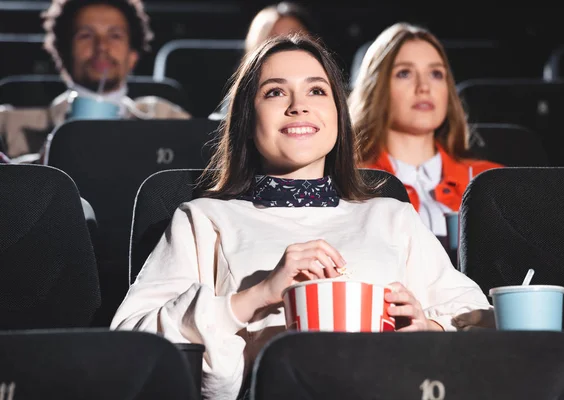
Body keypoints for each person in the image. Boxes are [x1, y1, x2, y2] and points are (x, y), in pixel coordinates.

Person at [111, 35, 491, 399]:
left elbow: (477, 318)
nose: (299, 106)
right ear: (246, 118)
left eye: (317, 90)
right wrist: (254, 297)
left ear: (339, 116)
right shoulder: (202, 219)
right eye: (275, 92)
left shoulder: (391, 216)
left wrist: (428, 328)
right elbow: (130, 342)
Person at [349, 23, 502, 238]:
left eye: (436, 74)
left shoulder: (491, 183)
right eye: (404, 73)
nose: (424, 87)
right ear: (375, 88)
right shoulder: (347, 183)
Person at [0, 0, 190, 160]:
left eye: (115, 35)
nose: (101, 47)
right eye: (86, 35)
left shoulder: (168, 119)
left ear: (132, 56)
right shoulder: (8, 124)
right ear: (64, 53)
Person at [209, 2, 314, 120]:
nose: (286, 45)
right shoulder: (242, 92)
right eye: (273, 39)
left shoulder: (330, 82)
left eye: (294, 36)